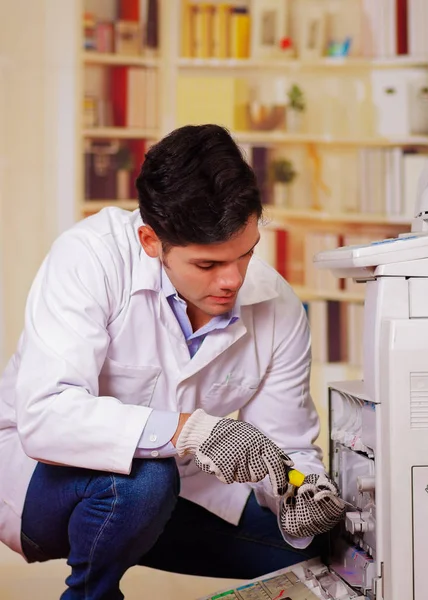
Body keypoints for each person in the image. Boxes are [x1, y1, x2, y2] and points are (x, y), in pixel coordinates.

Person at [0, 124, 345, 600]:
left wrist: (302, 488)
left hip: (177, 494)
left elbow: (285, 443)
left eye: (245, 254)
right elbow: (45, 417)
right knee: (144, 480)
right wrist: (189, 430)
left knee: (330, 548)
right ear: (150, 240)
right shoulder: (89, 257)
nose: (232, 280)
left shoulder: (278, 306)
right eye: (207, 265)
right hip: (45, 479)